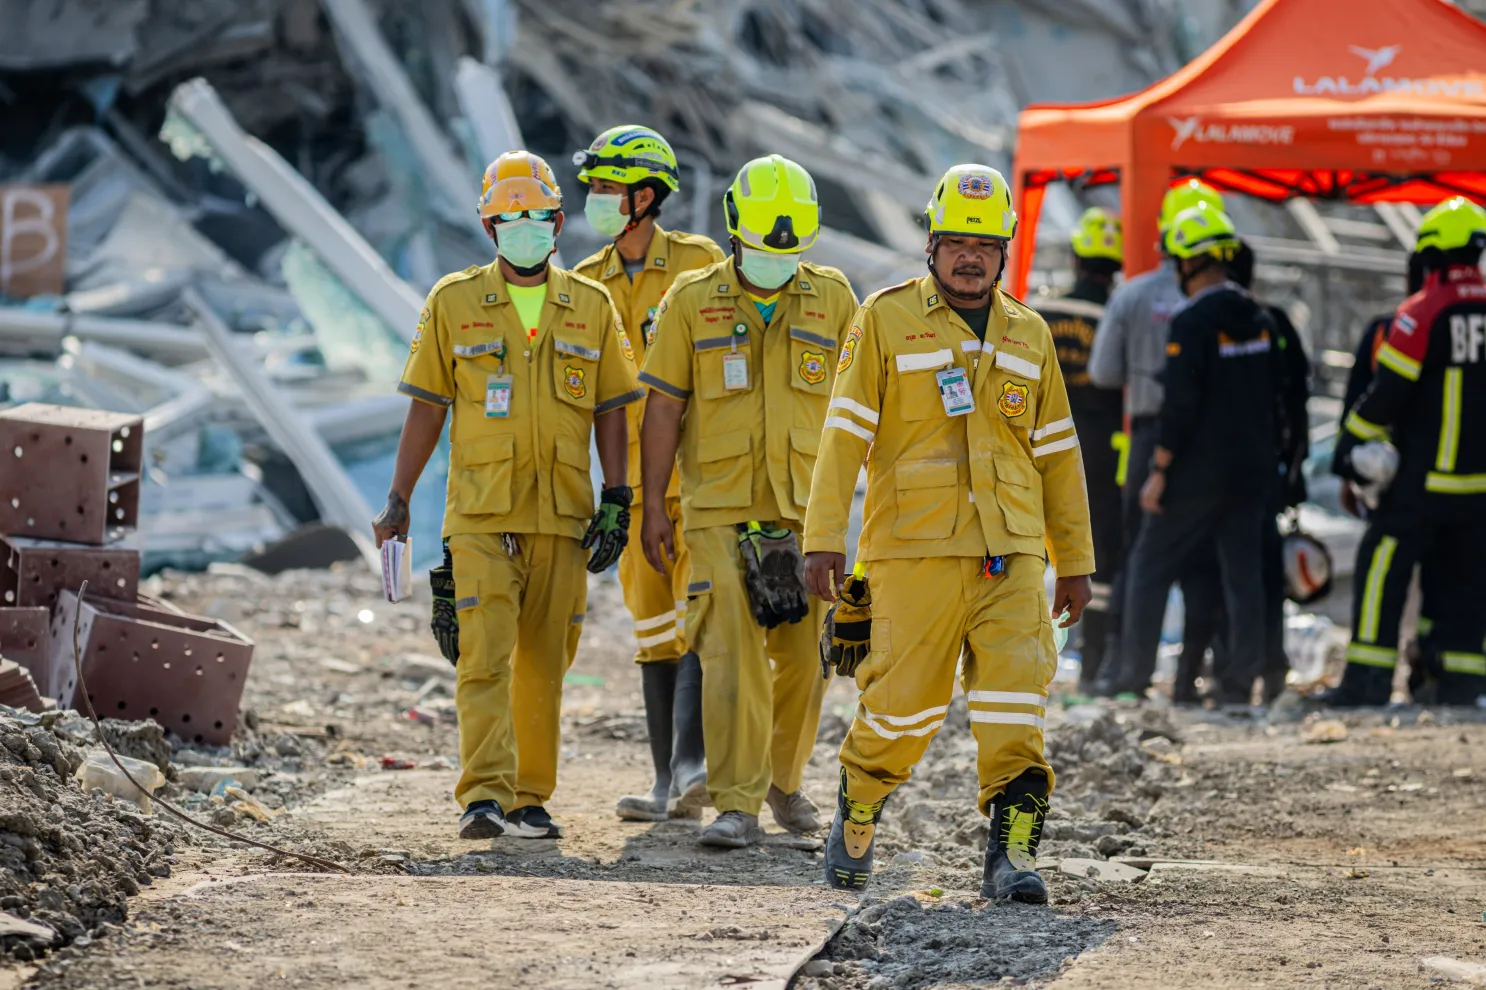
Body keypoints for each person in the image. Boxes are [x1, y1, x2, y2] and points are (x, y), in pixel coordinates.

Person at [803, 164, 1094, 902]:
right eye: (957, 242)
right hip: (911, 552)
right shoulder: (884, 319)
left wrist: (1076, 560)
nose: (971, 256)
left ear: (1006, 251)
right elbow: (843, 435)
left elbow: (1058, 455)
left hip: (1015, 553)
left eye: (986, 245)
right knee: (902, 709)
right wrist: (823, 536)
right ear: (931, 245)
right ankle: (860, 803)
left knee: (1014, 707)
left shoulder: (1030, 332)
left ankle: (1013, 858)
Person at [372, 150, 642, 840]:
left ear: (558, 222)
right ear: (491, 229)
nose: (526, 228)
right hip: (481, 513)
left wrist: (619, 495)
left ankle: (529, 797)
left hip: (562, 515)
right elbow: (428, 406)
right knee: (483, 656)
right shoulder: (453, 302)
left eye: (538, 217)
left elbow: (613, 407)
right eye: (510, 218)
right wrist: (399, 497)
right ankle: (483, 794)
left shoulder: (590, 305)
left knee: (547, 665)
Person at [637, 154, 858, 847]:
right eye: (764, 249)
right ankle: (736, 803)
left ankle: (782, 782)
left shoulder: (833, 298)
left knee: (805, 656)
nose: (775, 261)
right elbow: (663, 409)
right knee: (728, 649)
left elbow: (861, 410)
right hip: (715, 509)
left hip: (803, 512)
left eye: (787, 252)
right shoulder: (691, 300)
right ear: (735, 232)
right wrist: (651, 506)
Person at [571, 125, 727, 822]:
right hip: (628, 488)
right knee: (653, 627)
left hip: (696, 479)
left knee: (702, 615)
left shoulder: (700, 264)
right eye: (595, 190)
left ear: (647, 195)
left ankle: (697, 768)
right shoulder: (581, 283)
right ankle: (668, 783)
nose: (597, 202)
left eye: (608, 189)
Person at [1115, 204, 1290, 705]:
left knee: (1149, 565)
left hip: (1195, 477)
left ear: (1191, 263)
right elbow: (1276, 398)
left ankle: (1132, 678)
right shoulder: (1259, 317)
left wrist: (1159, 470)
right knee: (1244, 580)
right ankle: (1239, 686)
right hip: (1251, 474)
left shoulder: (1192, 322)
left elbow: (1181, 406)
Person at [1329, 196, 1486, 707]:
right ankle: (1458, 685)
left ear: (1432, 254)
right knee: (1464, 587)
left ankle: (1366, 684)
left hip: (1419, 485)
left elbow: (1386, 396)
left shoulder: (1424, 310)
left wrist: (1350, 445)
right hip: (1476, 491)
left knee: (1381, 572)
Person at [1087, 178, 1224, 694]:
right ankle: (1192, 675)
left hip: (1149, 438)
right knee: (1204, 562)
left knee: (1140, 558)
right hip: (1212, 446)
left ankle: (1125, 671)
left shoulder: (1134, 295)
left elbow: (1103, 373)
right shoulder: (1229, 301)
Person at [1171, 241, 1310, 704]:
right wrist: (1292, 467)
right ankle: (1257, 671)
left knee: (1220, 577)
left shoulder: (1219, 322)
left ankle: (1230, 672)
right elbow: (1294, 402)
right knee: (1257, 578)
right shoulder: (1271, 323)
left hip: (1218, 478)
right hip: (1263, 474)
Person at [1038, 207, 1125, 694]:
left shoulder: (1041, 310)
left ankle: (1029, 661)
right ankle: (1093, 667)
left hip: (1037, 443)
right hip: (1100, 449)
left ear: (1075, 258)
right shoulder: (1117, 311)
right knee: (1097, 557)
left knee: (1030, 552)